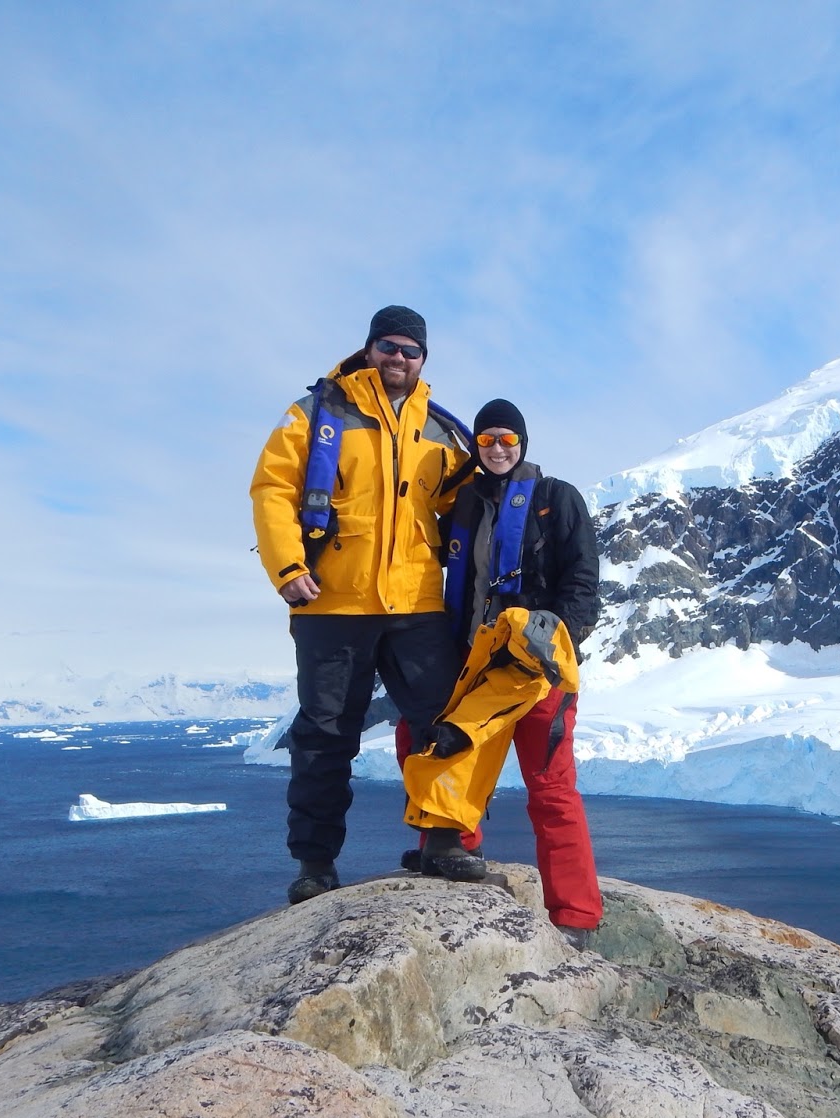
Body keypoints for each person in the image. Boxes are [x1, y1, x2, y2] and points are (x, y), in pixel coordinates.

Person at [250, 305, 472, 904]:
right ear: (369, 348)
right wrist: (287, 568)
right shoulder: (317, 413)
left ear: (424, 359)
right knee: (324, 737)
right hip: (330, 602)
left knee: (440, 724)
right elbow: (273, 489)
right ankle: (315, 865)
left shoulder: (442, 432)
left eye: (410, 350)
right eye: (388, 346)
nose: (398, 359)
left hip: (416, 603)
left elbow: (464, 510)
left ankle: (441, 843)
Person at [402, 398, 604, 948]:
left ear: (523, 445)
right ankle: (451, 846)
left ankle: (576, 914)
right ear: (476, 445)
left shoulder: (556, 499)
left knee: (552, 789)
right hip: (477, 663)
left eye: (506, 440)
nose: (496, 449)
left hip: (539, 671)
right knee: (431, 740)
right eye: (486, 440)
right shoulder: (464, 504)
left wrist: (560, 642)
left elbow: (583, 580)